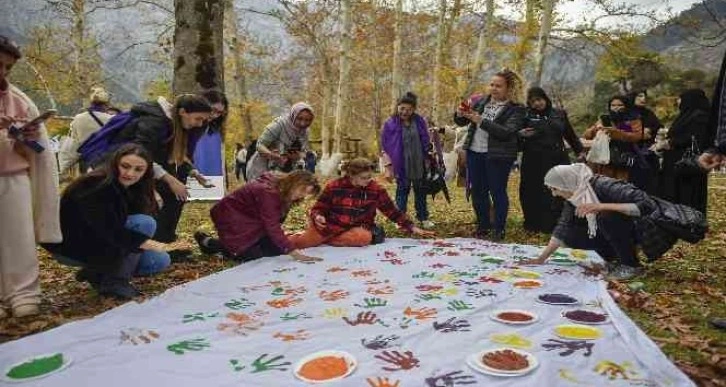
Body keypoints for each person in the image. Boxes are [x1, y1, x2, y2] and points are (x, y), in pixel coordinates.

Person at [42, 145, 176, 299]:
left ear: (146, 172)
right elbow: (106, 229)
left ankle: (97, 272)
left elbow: (119, 226)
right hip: (72, 245)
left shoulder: (134, 187)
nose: (130, 173)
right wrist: (147, 242)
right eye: (125, 166)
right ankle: (115, 282)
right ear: (115, 163)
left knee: (159, 260)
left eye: (138, 170)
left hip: (103, 243)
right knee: (145, 223)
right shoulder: (94, 185)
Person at [524, 164, 682, 280]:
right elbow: (563, 227)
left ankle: (631, 265)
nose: (554, 194)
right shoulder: (575, 195)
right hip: (618, 228)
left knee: (605, 217)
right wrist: (541, 258)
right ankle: (612, 258)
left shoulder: (603, 185)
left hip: (646, 229)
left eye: (555, 189)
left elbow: (645, 204)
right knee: (571, 235)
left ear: (566, 183)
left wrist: (600, 206)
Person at [0, 36, 61, 319]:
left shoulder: (19, 101)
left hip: (13, 178)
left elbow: (39, 154)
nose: (2, 73)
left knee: (18, 237)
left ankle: (23, 292)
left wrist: (27, 138)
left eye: (7, 68)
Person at [113, 94, 213, 250]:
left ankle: (165, 242)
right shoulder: (154, 123)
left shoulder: (175, 125)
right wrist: (168, 180)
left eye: (203, 120)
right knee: (157, 202)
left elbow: (175, 155)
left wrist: (194, 173)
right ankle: (148, 246)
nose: (199, 124)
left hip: (149, 168)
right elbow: (141, 155)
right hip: (127, 170)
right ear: (182, 112)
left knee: (175, 196)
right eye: (198, 118)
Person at [288, 158, 435, 249]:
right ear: (351, 175)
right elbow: (318, 208)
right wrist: (318, 216)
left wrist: (411, 227)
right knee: (302, 244)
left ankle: (325, 240)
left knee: (364, 238)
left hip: (354, 229)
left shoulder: (376, 189)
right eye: (364, 178)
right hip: (329, 225)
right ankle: (293, 237)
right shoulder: (334, 186)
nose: (368, 181)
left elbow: (392, 211)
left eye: (370, 177)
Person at [454, 69, 526, 241]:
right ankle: (483, 227)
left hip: (498, 156)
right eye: (492, 84)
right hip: (474, 152)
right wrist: (460, 114)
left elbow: (506, 132)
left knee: (497, 191)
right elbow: (463, 121)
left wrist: (481, 121)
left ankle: (498, 230)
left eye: (498, 86)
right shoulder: (481, 101)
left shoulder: (516, 109)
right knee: (478, 192)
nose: (493, 88)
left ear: (509, 88)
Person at [194, 170, 322, 263]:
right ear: (294, 182)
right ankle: (209, 243)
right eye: (302, 190)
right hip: (231, 217)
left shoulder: (283, 187)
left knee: (276, 250)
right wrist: (293, 252)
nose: (302, 195)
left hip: (251, 219)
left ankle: (232, 245)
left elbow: (275, 221)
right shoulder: (268, 193)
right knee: (251, 256)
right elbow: (272, 224)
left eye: (306, 193)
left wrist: (285, 246)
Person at [519, 87, 585, 233]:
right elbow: (516, 137)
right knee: (532, 191)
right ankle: (533, 223)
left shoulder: (559, 114)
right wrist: (521, 135)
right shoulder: (526, 116)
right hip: (533, 160)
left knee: (557, 191)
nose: (537, 104)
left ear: (545, 98)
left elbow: (570, 135)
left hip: (558, 158)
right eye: (532, 101)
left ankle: (555, 223)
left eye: (539, 100)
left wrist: (579, 151)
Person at [381, 92, 435, 230]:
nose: (405, 112)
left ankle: (423, 217)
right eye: (402, 108)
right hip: (401, 164)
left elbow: (426, 139)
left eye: (409, 109)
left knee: (420, 191)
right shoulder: (389, 123)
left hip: (419, 162)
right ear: (397, 107)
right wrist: (388, 166)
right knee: (402, 192)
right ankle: (400, 219)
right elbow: (385, 146)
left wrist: (428, 157)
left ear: (413, 109)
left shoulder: (419, 121)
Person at [658, 89, 712, 214]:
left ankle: (689, 221)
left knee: (689, 193)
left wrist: (670, 143)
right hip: (678, 163)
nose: (678, 101)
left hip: (688, 164)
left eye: (680, 98)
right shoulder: (687, 115)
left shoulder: (700, 117)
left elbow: (695, 137)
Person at [583, 95, 645, 182]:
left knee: (620, 185)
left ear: (626, 106)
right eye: (613, 105)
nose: (616, 108)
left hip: (623, 157)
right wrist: (596, 128)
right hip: (605, 157)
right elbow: (587, 135)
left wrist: (615, 132)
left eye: (620, 105)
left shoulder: (633, 119)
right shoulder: (606, 118)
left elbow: (636, 136)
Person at [246, 103, 313, 181]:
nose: (303, 123)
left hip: (286, 170)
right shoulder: (279, 125)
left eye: (307, 120)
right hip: (264, 168)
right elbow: (259, 145)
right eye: (299, 118)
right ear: (293, 116)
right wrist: (272, 155)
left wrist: (298, 156)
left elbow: (303, 151)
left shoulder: (305, 132)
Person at [59, 87, 113, 174]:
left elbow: (72, 143)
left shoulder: (79, 118)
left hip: (86, 162)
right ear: (107, 104)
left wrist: (64, 164)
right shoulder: (112, 120)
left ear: (91, 103)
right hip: (106, 161)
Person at [629, 90, 663, 194]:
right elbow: (621, 128)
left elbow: (657, 126)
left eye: (644, 96)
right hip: (632, 153)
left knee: (650, 185)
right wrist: (640, 132)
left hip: (649, 153)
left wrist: (651, 131)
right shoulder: (627, 113)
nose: (643, 99)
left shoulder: (648, 113)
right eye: (639, 96)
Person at [192, 90, 227, 181]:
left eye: (219, 113)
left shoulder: (215, 133)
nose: (215, 115)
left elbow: (218, 163)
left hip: (212, 183)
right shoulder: (187, 127)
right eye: (213, 109)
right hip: (189, 180)